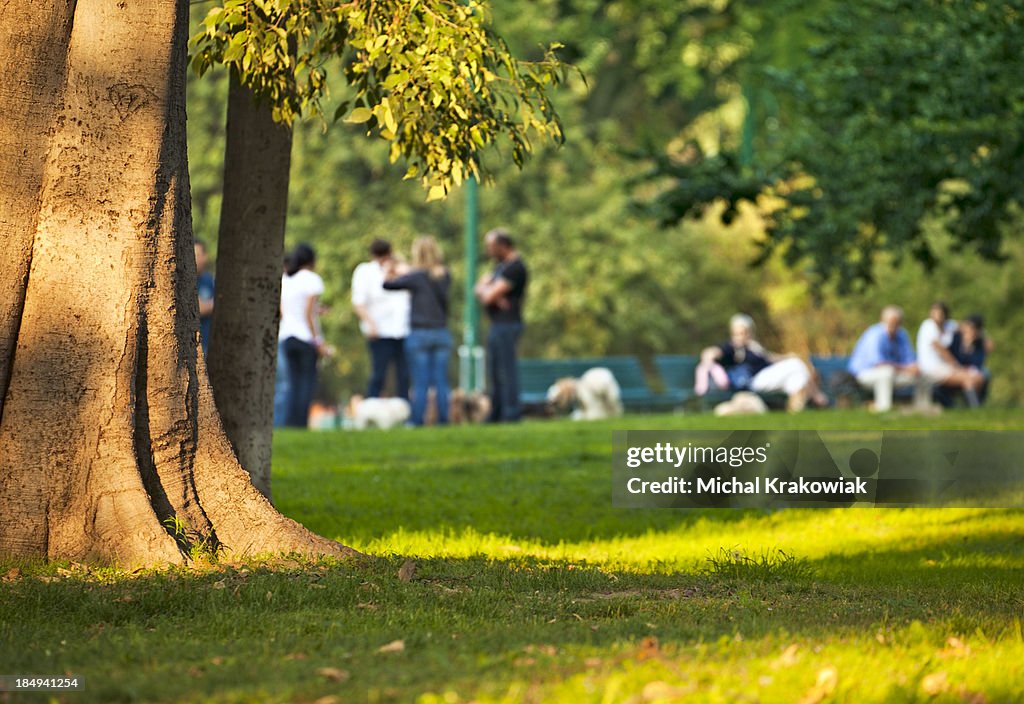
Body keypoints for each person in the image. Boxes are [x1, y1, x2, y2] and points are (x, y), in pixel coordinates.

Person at [382, 236, 452, 426]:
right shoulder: (444, 275)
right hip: (440, 331)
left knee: (420, 381)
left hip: (420, 333)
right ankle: (444, 419)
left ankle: (417, 420)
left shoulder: (416, 276)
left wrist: (390, 270)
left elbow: (388, 285)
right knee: (441, 381)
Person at [694, 314, 828, 412]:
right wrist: (708, 358)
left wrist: (787, 356)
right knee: (796, 364)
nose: (741, 336)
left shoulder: (754, 347)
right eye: (737, 333)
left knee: (797, 377)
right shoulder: (733, 348)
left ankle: (795, 413)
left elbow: (769, 358)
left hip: (768, 377)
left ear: (750, 332)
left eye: (744, 333)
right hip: (753, 381)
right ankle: (817, 396)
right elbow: (712, 352)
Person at [475, 228, 528, 423]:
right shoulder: (500, 268)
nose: (488, 250)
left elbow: (488, 295)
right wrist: (487, 291)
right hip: (497, 324)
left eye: (491, 246)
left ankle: (512, 413)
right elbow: (480, 289)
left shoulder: (515, 268)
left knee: (507, 370)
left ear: (503, 246)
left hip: (508, 324)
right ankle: (496, 413)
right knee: (495, 371)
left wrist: (488, 292)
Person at [351, 239, 411, 400]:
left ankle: (404, 409)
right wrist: (371, 325)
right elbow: (359, 302)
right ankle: (372, 407)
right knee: (379, 374)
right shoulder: (365, 272)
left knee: (404, 375)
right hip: (379, 331)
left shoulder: (400, 270)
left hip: (402, 330)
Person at [278, 243, 328, 428]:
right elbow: (309, 314)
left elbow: (284, 311)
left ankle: (290, 423)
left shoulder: (286, 279)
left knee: (292, 383)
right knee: (306, 383)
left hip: (287, 336)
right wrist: (319, 341)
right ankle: (301, 423)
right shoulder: (312, 279)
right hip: (304, 337)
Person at [848, 305, 930, 412]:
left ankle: (922, 409)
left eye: (897, 323)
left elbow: (909, 359)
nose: (894, 326)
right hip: (864, 374)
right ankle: (884, 409)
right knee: (886, 372)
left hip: (893, 373)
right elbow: (879, 363)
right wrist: (906, 368)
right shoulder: (875, 334)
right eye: (891, 322)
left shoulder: (902, 334)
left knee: (923, 373)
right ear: (883, 321)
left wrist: (915, 367)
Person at [916, 301, 984, 407]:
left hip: (946, 367)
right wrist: (957, 366)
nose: (937, 317)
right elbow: (941, 350)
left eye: (940, 314)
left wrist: (983, 337)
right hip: (932, 368)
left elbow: (967, 327)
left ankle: (972, 407)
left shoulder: (949, 325)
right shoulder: (928, 326)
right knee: (968, 378)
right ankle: (974, 408)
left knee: (978, 377)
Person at [940, 313, 992, 406]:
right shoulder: (956, 338)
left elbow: (977, 363)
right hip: (954, 370)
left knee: (982, 376)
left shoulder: (978, 343)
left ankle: (975, 405)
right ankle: (975, 407)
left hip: (969, 371)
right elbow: (952, 356)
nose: (968, 330)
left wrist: (969, 346)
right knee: (969, 380)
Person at [194, 239, 215, 355]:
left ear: (205, 256)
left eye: (198, 255)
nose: (195, 259)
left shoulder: (210, 280)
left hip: (209, 343)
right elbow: (197, 308)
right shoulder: (185, 282)